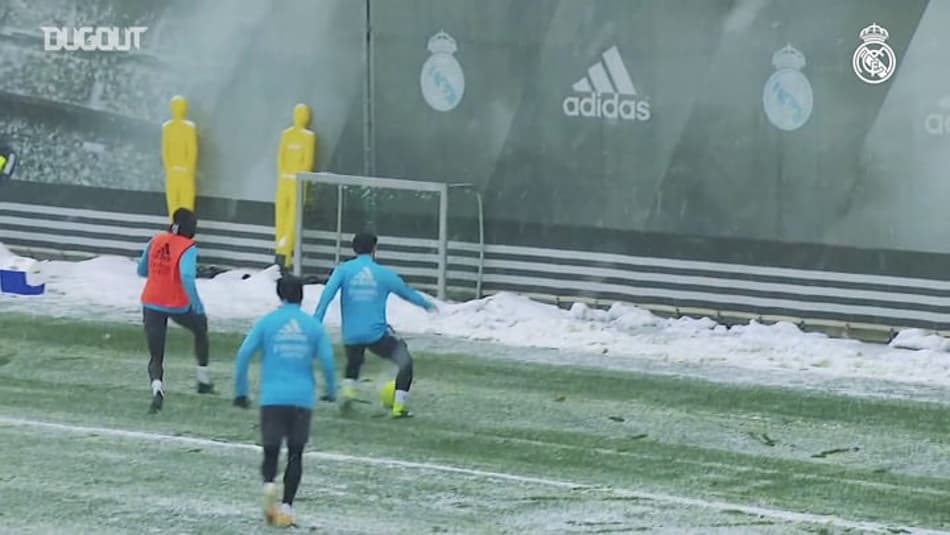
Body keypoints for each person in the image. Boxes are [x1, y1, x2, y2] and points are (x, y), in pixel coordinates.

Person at [233, 275, 337, 527]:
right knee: (295, 453)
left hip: (273, 398)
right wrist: (331, 390)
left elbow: (244, 354)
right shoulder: (312, 326)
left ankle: (269, 485)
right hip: (302, 399)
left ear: (280, 295)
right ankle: (287, 507)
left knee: (270, 450)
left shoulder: (268, 322)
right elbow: (327, 361)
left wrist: (241, 391)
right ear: (302, 295)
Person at [313, 232, 436, 418]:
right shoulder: (383, 274)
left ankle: (348, 391)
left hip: (351, 333)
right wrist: (427, 305)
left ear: (354, 248)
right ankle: (399, 407)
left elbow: (326, 296)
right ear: (374, 248)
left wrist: (316, 321)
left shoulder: (343, 270)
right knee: (405, 362)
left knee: (355, 358)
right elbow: (406, 292)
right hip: (375, 334)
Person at [137, 207, 214, 414]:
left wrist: (159, 274)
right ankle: (203, 379)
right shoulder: (188, 247)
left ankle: (157, 389)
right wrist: (196, 304)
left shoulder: (156, 240)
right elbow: (186, 276)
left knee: (156, 355)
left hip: (151, 301)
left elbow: (141, 270)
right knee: (200, 329)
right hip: (176, 303)